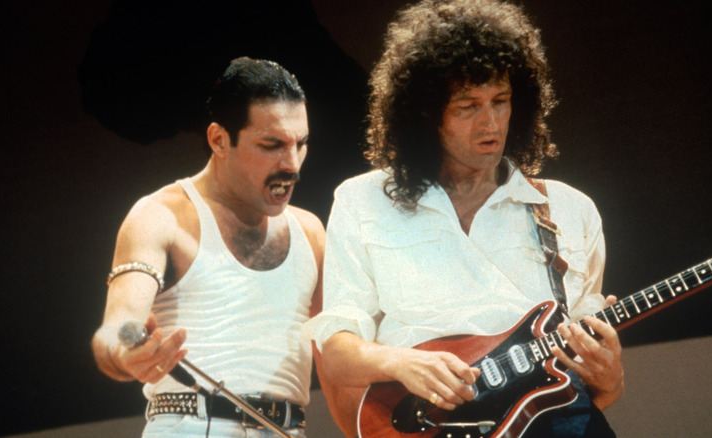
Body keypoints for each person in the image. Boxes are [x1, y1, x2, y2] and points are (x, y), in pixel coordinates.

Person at [312, 1, 624, 437]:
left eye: (500, 101)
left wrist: (609, 377)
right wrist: (402, 362)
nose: (490, 123)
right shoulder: (362, 200)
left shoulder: (572, 210)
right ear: (424, 113)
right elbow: (336, 353)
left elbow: (589, 379)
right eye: (467, 106)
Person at [91, 57, 326, 437]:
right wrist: (124, 354)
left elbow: (339, 356)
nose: (292, 164)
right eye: (272, 145)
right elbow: (116, 327)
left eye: (301, 144)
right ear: (218, 139)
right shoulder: (161, 216)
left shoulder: (310, 231)